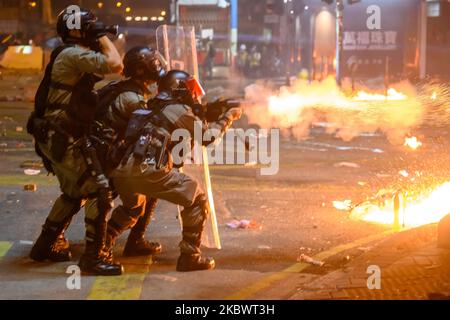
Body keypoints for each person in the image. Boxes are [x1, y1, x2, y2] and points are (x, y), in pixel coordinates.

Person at [105, 70, 242, 272]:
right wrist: (228, 117)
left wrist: (208, 112)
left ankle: (103, 246)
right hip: (147, 171)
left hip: (124, 171)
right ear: (179, 89)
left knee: (132, 208)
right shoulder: (178, 110)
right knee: (197, 198)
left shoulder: (153, 106)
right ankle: (190, 257)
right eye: (189, 89)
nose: (193, 95)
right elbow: (207, 138)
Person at [27, 7, 124, 276]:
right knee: (99, 192)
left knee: (73, 193)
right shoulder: (72, 54)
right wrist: (102, 36)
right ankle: (93, 259)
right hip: (61, 137)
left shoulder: (70, 55)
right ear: (80, 31)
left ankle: (44, 246)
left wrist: (95, 34)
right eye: (89, 27)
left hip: (54, 135)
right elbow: (116, 64)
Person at [95, 46, 167, 257]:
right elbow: (152, 128)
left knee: (154, 180)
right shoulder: (132, 99)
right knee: (140, 201)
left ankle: (135, 240)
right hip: (109, 160)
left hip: (103, 154)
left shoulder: (122, 87)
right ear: (143, 71)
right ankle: (106, 239)